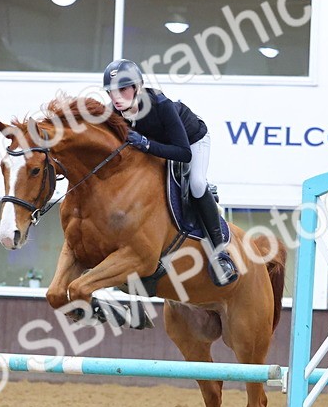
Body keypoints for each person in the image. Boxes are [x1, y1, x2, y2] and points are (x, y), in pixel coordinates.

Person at [101, 58, 238, 285]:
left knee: (196, 184)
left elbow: (184, 153)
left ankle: (219, 251)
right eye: (111, 92)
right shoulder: (112, 115)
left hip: (192, 140)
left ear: (137, 87)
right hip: (160, 147)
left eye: (122, 90)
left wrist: (145, 144)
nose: (116, 97)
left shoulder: (161, 105)